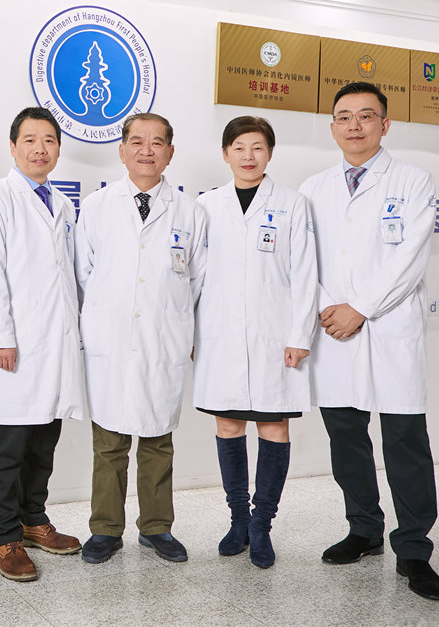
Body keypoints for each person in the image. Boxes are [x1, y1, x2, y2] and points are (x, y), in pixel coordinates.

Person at [300, 81, 439, 601]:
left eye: (366, 116)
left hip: (388, 327)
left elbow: (410, 257)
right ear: (332, 127)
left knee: (405, 441)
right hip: (333, 329)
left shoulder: (413, 181)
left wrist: (361, 308)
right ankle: (364, 528)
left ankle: (414, 549)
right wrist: (328, 306)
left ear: (385, 124)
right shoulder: (313, 189)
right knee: (346, 437)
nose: (354, 125)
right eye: (344, 116)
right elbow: (303, 260)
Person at [75, 112, 206, 565]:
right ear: (122, 150)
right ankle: (105, 530)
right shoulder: (97, 206)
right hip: (110, 341)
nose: (146, 151)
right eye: (137, 142)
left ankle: (156, 527)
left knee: (157, 441)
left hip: (162, 339)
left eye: (156, 143)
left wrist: (184, 331)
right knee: (109, 443)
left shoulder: (189, 211)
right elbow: (84, 273)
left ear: (171, 152)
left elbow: (197, 280)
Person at [193, 116, 318, 569]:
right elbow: (194, 275)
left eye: (258, 147)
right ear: (225, 153)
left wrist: (299, 335)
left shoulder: (292, 204)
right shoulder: (206, 205)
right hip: (220, 335)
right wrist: (190, 333)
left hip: (274, 337)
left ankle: (262, 524)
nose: (248, 156)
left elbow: (305, 273)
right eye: (239, 147)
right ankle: (238, 522)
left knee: (274, 428)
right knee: (228, 426)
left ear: (270, 153)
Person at [0, 107, 86, 582]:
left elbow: (68, 277)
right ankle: (4, 538)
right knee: (8, 447)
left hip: (56, 343)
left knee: (43, 442)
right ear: (13, 147)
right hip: (15, 344)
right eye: (31, 140)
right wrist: (0, 335)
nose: (41, 149)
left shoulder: (63, 204)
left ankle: (33, 520)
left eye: (50, 140)